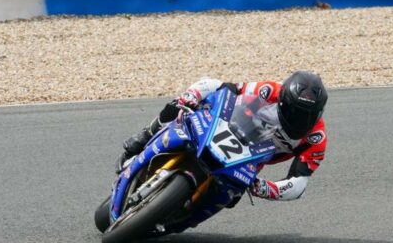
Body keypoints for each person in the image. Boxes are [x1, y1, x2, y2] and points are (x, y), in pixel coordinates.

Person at [121, 70, 328, 202]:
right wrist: (191, 98)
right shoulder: (269, 91)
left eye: (308, 116)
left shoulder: (316, 139)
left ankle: (176, 215)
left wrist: (266, 188)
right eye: (295, 111)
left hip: (250, 159)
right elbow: (222, 86)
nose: (300, 119)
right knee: (178, 109)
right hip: (227, 126)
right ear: (283, 99)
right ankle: (145, 136)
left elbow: (298, 184)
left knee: (229, 199)